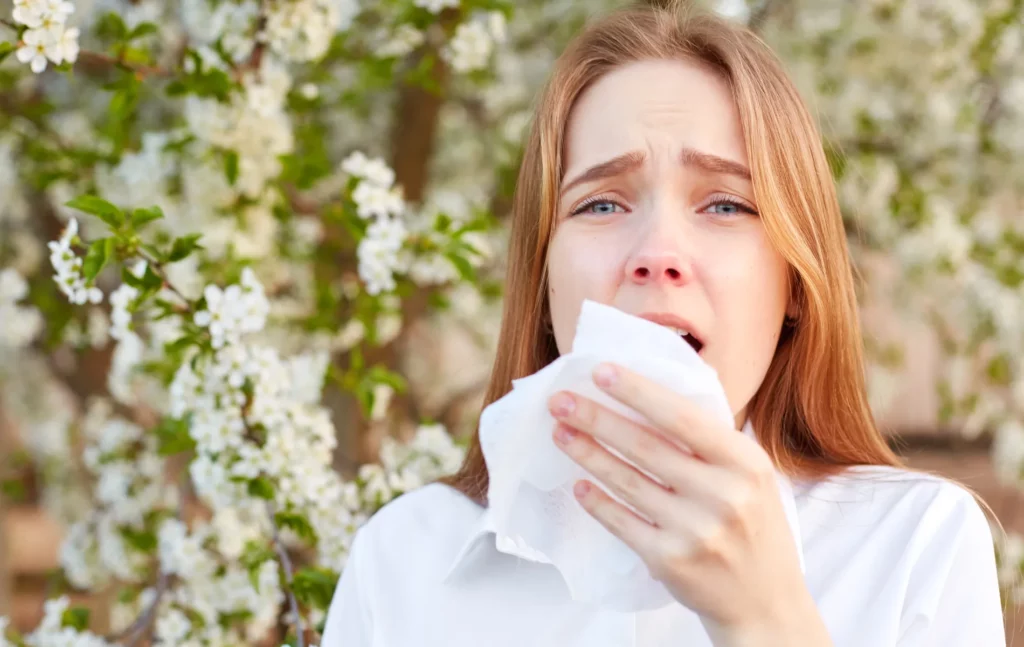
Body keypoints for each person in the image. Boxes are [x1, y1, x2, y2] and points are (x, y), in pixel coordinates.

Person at [320, 2, 1007, 646]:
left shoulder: (919, 544)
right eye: (601, 204)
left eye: (726, 205)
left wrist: (767, 618)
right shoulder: (405, 559)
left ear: (795, 280)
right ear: (542, 276)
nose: (656, 256)